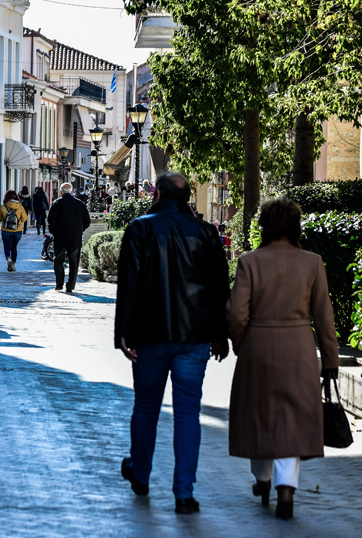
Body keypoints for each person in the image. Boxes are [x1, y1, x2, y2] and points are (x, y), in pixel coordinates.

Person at [114, 172, 230, 514]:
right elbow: (219, 288)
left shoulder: (140, 229)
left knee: (146, 407)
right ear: (187, 197)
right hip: (194, 337)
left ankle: (140, 473)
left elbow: (129, 284)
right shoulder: (206, 233)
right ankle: (184, 493)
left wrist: (124, 331)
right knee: (187, 413)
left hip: (150, 335)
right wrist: (220, 333)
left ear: (158, 195)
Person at [226, 197, 339, 520]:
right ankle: (286, 489)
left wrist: (240, 342)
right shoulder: (312, 263)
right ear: (295, 227)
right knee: (292, 417)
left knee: (260, 414)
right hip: (299, 345)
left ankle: (263, 479)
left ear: (264, 227)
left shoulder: (250, 261)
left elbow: (236, 311)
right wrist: (330, 359)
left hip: (257, 345)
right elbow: (324, 317)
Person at [47, 182, 90, 292]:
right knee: (74, 262)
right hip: (75, 237)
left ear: (61, 192)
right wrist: (79, 230)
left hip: (60, 237)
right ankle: (70, 286)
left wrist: (54, 232)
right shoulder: (80, 204)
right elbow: (87, 221)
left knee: (58, 261)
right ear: (72, 192)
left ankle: (59, 284)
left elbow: (50, 221)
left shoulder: (56, 203)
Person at [0, 190, 28, 272]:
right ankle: (13, 264)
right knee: (14, 247)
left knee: (7, 246)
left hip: (6, 230)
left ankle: (8, 258)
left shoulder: (3, 207)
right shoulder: (20, 207)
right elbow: (24, 219)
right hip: (17, 231)